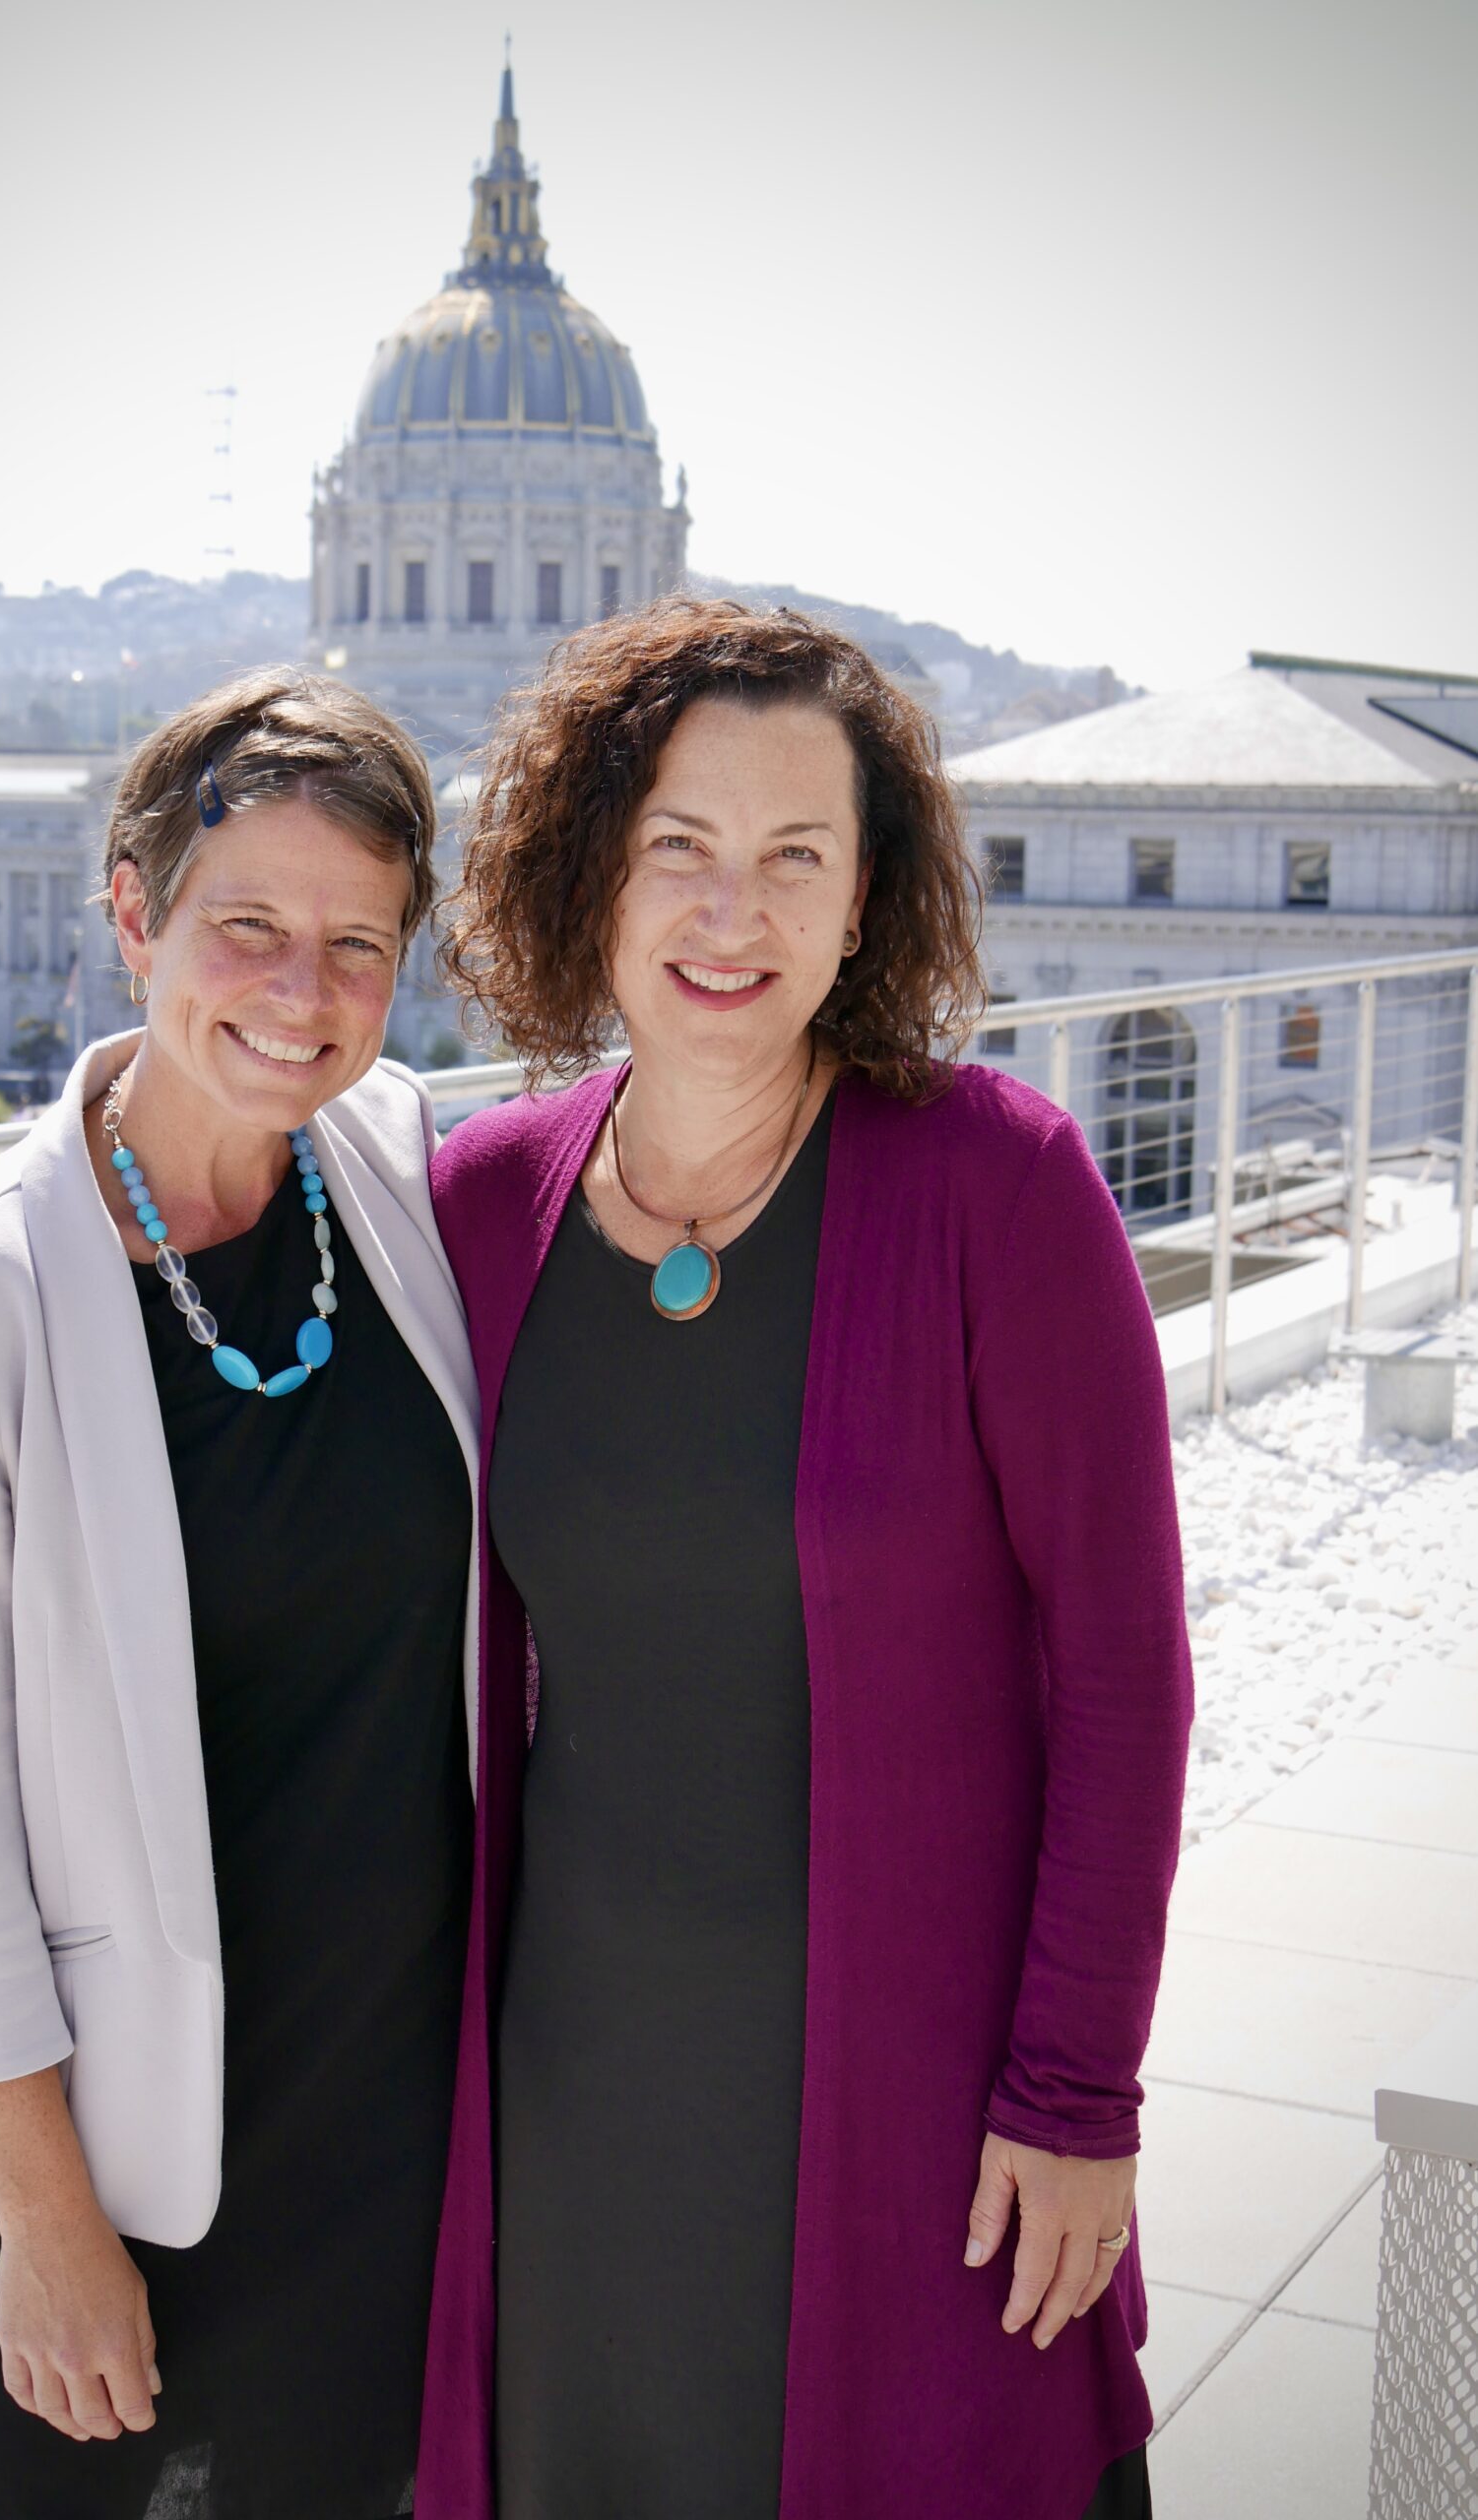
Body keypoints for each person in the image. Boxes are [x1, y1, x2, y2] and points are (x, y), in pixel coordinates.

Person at [416, 598, 1193, 2520]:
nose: (726, 909)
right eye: (676, 844)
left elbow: (1123, 1671)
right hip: (577, 2090)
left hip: (921, 2101)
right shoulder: (477, 1206)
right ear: (589, 865)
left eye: (794, 857)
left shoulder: (999, 1189)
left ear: (870, 903)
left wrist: (1075, 2094)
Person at [0, 668, 480, 2520]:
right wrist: (45, 2229)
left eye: (357, 942)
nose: (302, 992)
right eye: (247, 927)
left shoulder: (395, 1166)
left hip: (383, 2128)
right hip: (116, 2167)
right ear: (133, 912)